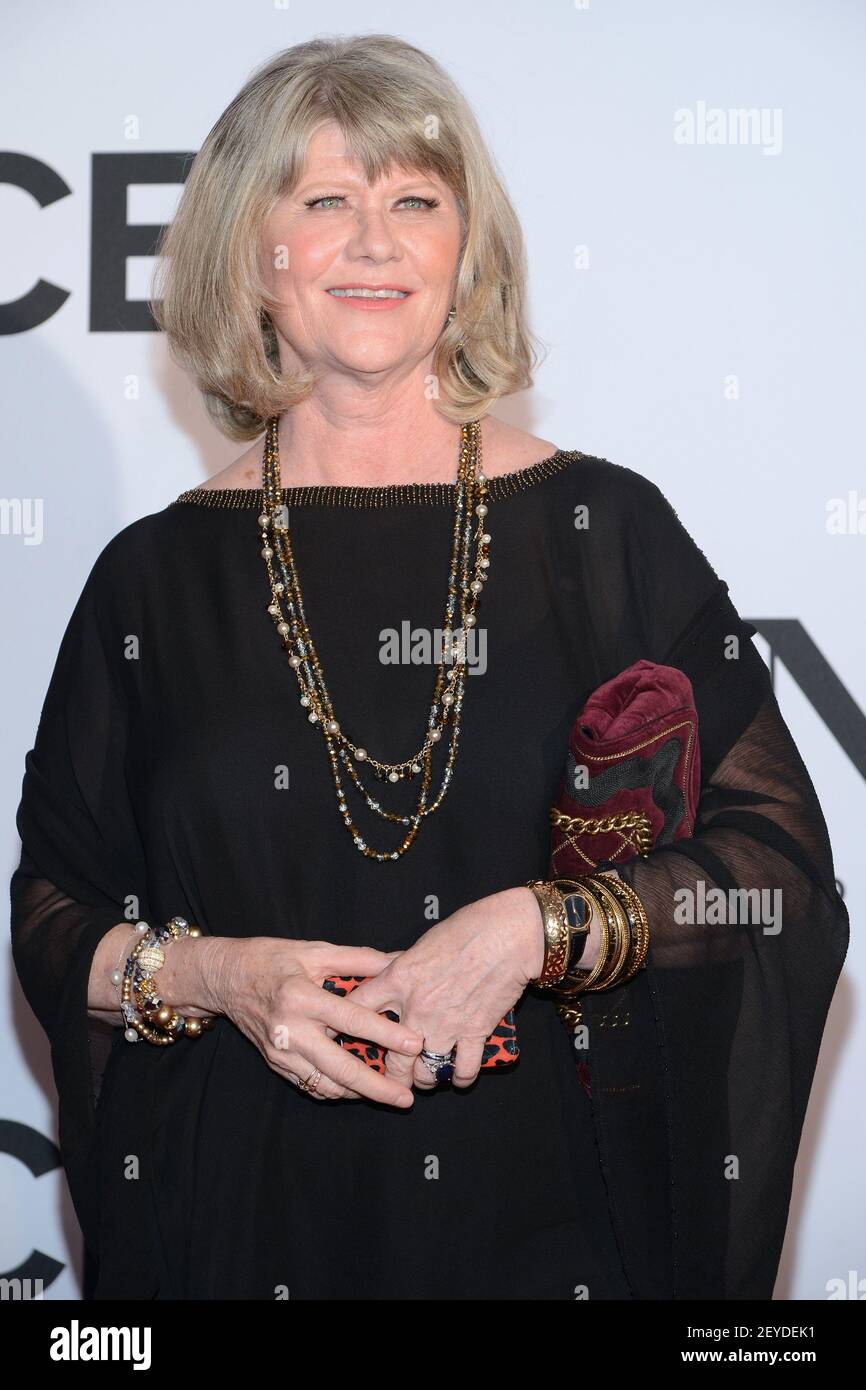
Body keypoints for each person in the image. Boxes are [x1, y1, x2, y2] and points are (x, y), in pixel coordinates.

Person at [10, 34, 848, 1301]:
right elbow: (52, 911)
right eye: (324, 201)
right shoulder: (152, 578)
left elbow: (776, 875)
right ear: (252, 253)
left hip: (549, 1230)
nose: (373, 242)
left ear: (465, 256)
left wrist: (539, 929)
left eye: (414, 201)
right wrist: (220, 975)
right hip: (240, 1222)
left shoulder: (602, 534)